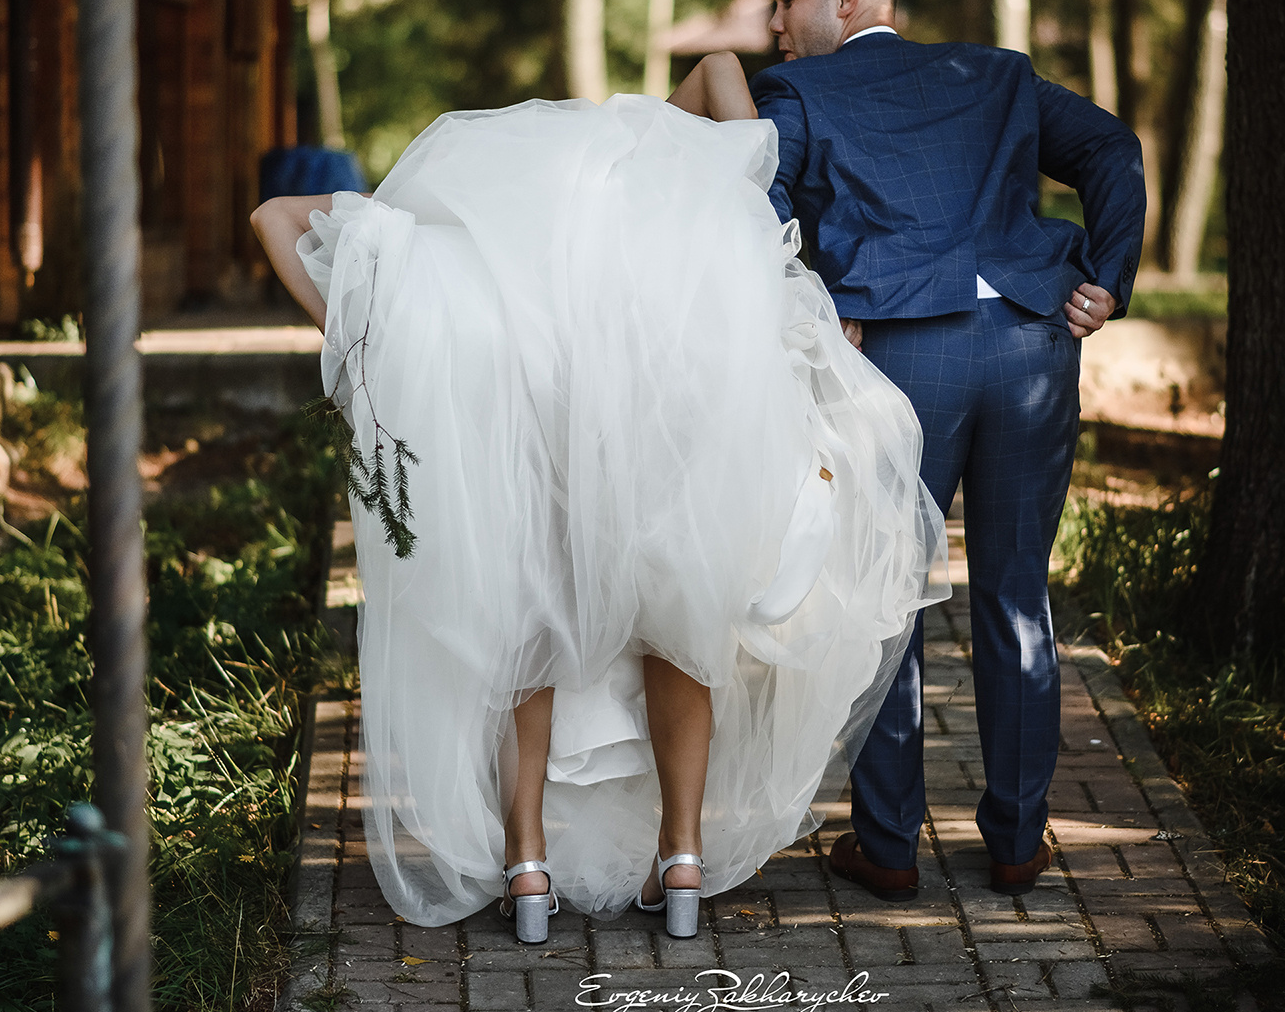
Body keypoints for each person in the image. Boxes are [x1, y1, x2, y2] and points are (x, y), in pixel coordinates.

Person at [251, 53, 948, 943]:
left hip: (531, 450)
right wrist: (758, 210)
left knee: (528, 630)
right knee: (681, 626)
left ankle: (527, 865)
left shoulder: (472, 265)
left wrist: (359, 345)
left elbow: (275, 217)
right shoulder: (667, 240)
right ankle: (683, 858)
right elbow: (724, 73)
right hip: (661, 445)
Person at [752, 0, 1146, 900]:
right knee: (1016, 594)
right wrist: (1106, 276)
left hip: (899, 357)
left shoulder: (795, 94)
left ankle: (888, 845)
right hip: (1030, 344)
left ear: (847, 0)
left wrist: (815, 303)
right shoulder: (998, 74)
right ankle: (1016, 840)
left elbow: (755, 217)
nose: (774, 23)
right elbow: (1108, 147)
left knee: (885, 595)